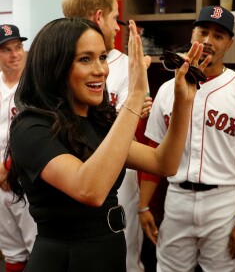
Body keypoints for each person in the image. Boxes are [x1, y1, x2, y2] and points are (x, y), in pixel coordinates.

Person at [5, 17, 209, 272]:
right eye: (85, 59)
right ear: (54, 65)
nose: (101, 70)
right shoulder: (30, 127)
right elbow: (90, 189)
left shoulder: (99, 121)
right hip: (65, 260)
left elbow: (164, 162)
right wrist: (135, 96)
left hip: (109, 252)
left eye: (102, 57)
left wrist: (183, 102)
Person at [139, 5, 235, 272]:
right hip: (176, 200)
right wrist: (143, 205)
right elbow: (153, 150)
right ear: (193, 33)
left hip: (224, 202)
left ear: (229, 43)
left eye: (219, 36)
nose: (208, 41)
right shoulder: (166, 89)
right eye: (203, 31)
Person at [62, 0, 152, 271]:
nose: (118, 27)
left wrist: (129, 113)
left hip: (118, 181)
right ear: (98, 17)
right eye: (115, 18)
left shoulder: (128, 64)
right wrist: (128, 113)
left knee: (123, 260)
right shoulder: (56, 63)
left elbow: (129, 133)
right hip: (67, 178)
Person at [0, 24, 37, 272]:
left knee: (37, 247)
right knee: (11, 249)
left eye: (19, 47)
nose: (15, 54)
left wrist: (9, 169)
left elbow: (36, 135)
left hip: (26, 179)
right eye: (6, 50)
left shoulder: (34, 86)